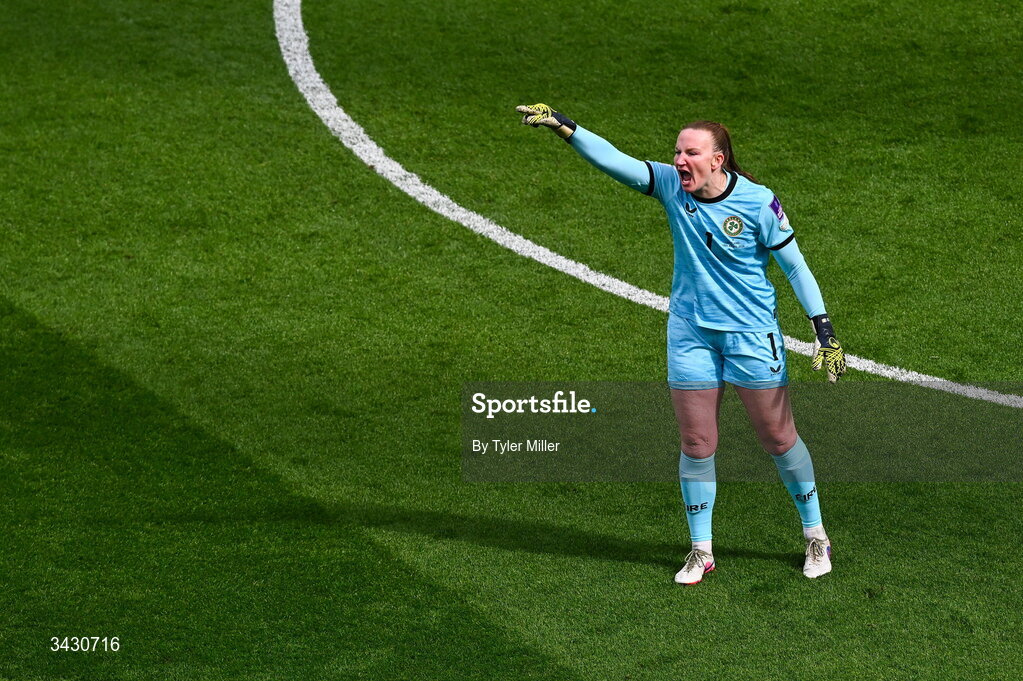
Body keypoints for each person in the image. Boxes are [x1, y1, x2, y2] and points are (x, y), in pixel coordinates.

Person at [515, 103, 846, 583]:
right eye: (676, 152)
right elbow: (618, 162)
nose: (679, 161)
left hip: (751, 335)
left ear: (718, 160)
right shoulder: (673, 187)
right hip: (690, 333)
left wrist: (824, 329)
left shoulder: (758, 202)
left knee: (777, 438)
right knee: (696, 442)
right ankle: (701, 549)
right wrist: (566, 128)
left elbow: (794, 266)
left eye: (691, 153)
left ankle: (816, 535)